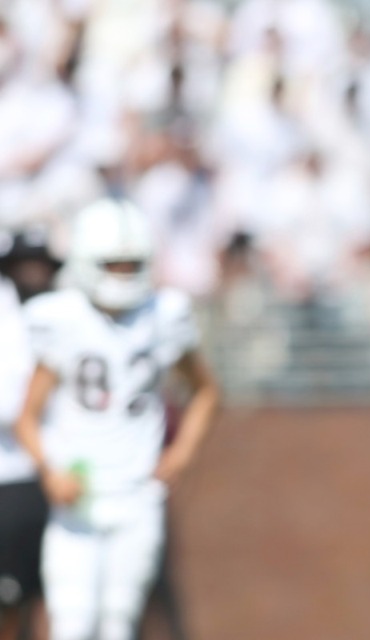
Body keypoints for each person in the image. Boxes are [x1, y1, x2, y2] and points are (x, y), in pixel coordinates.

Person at [14, 198, 220, 640]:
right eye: (114, 264)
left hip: (136, 492)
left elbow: (205, 392)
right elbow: (27, 417)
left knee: (118, 622)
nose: (124, 274)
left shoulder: (164, 315)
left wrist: (181, 454)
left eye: (132, 264)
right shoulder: (63, 317)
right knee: (72, 621)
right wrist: (50, 472)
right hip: (78, 494)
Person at [0, 226, 62, 640]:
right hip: (10, 477)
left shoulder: (64, 312)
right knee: (8, 597)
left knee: (54, 597)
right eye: (23, 265)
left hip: (58, 478)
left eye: (38, 264)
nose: (31, 274)